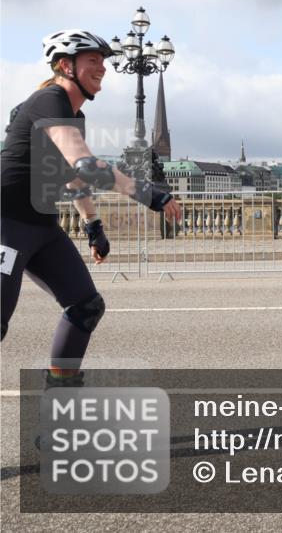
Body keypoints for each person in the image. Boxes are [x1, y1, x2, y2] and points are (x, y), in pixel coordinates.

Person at [1, 30, 183, 387]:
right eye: (93, 60)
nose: (102, 67)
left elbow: (71, 174)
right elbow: (85, 166)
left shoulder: (72, 114)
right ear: (65, 65)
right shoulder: (50, 99)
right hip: (6, 222)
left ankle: (60, 403)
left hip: (41, 226)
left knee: (86, 307)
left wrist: (93, 225)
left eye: (103, 61)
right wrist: (148, 193)